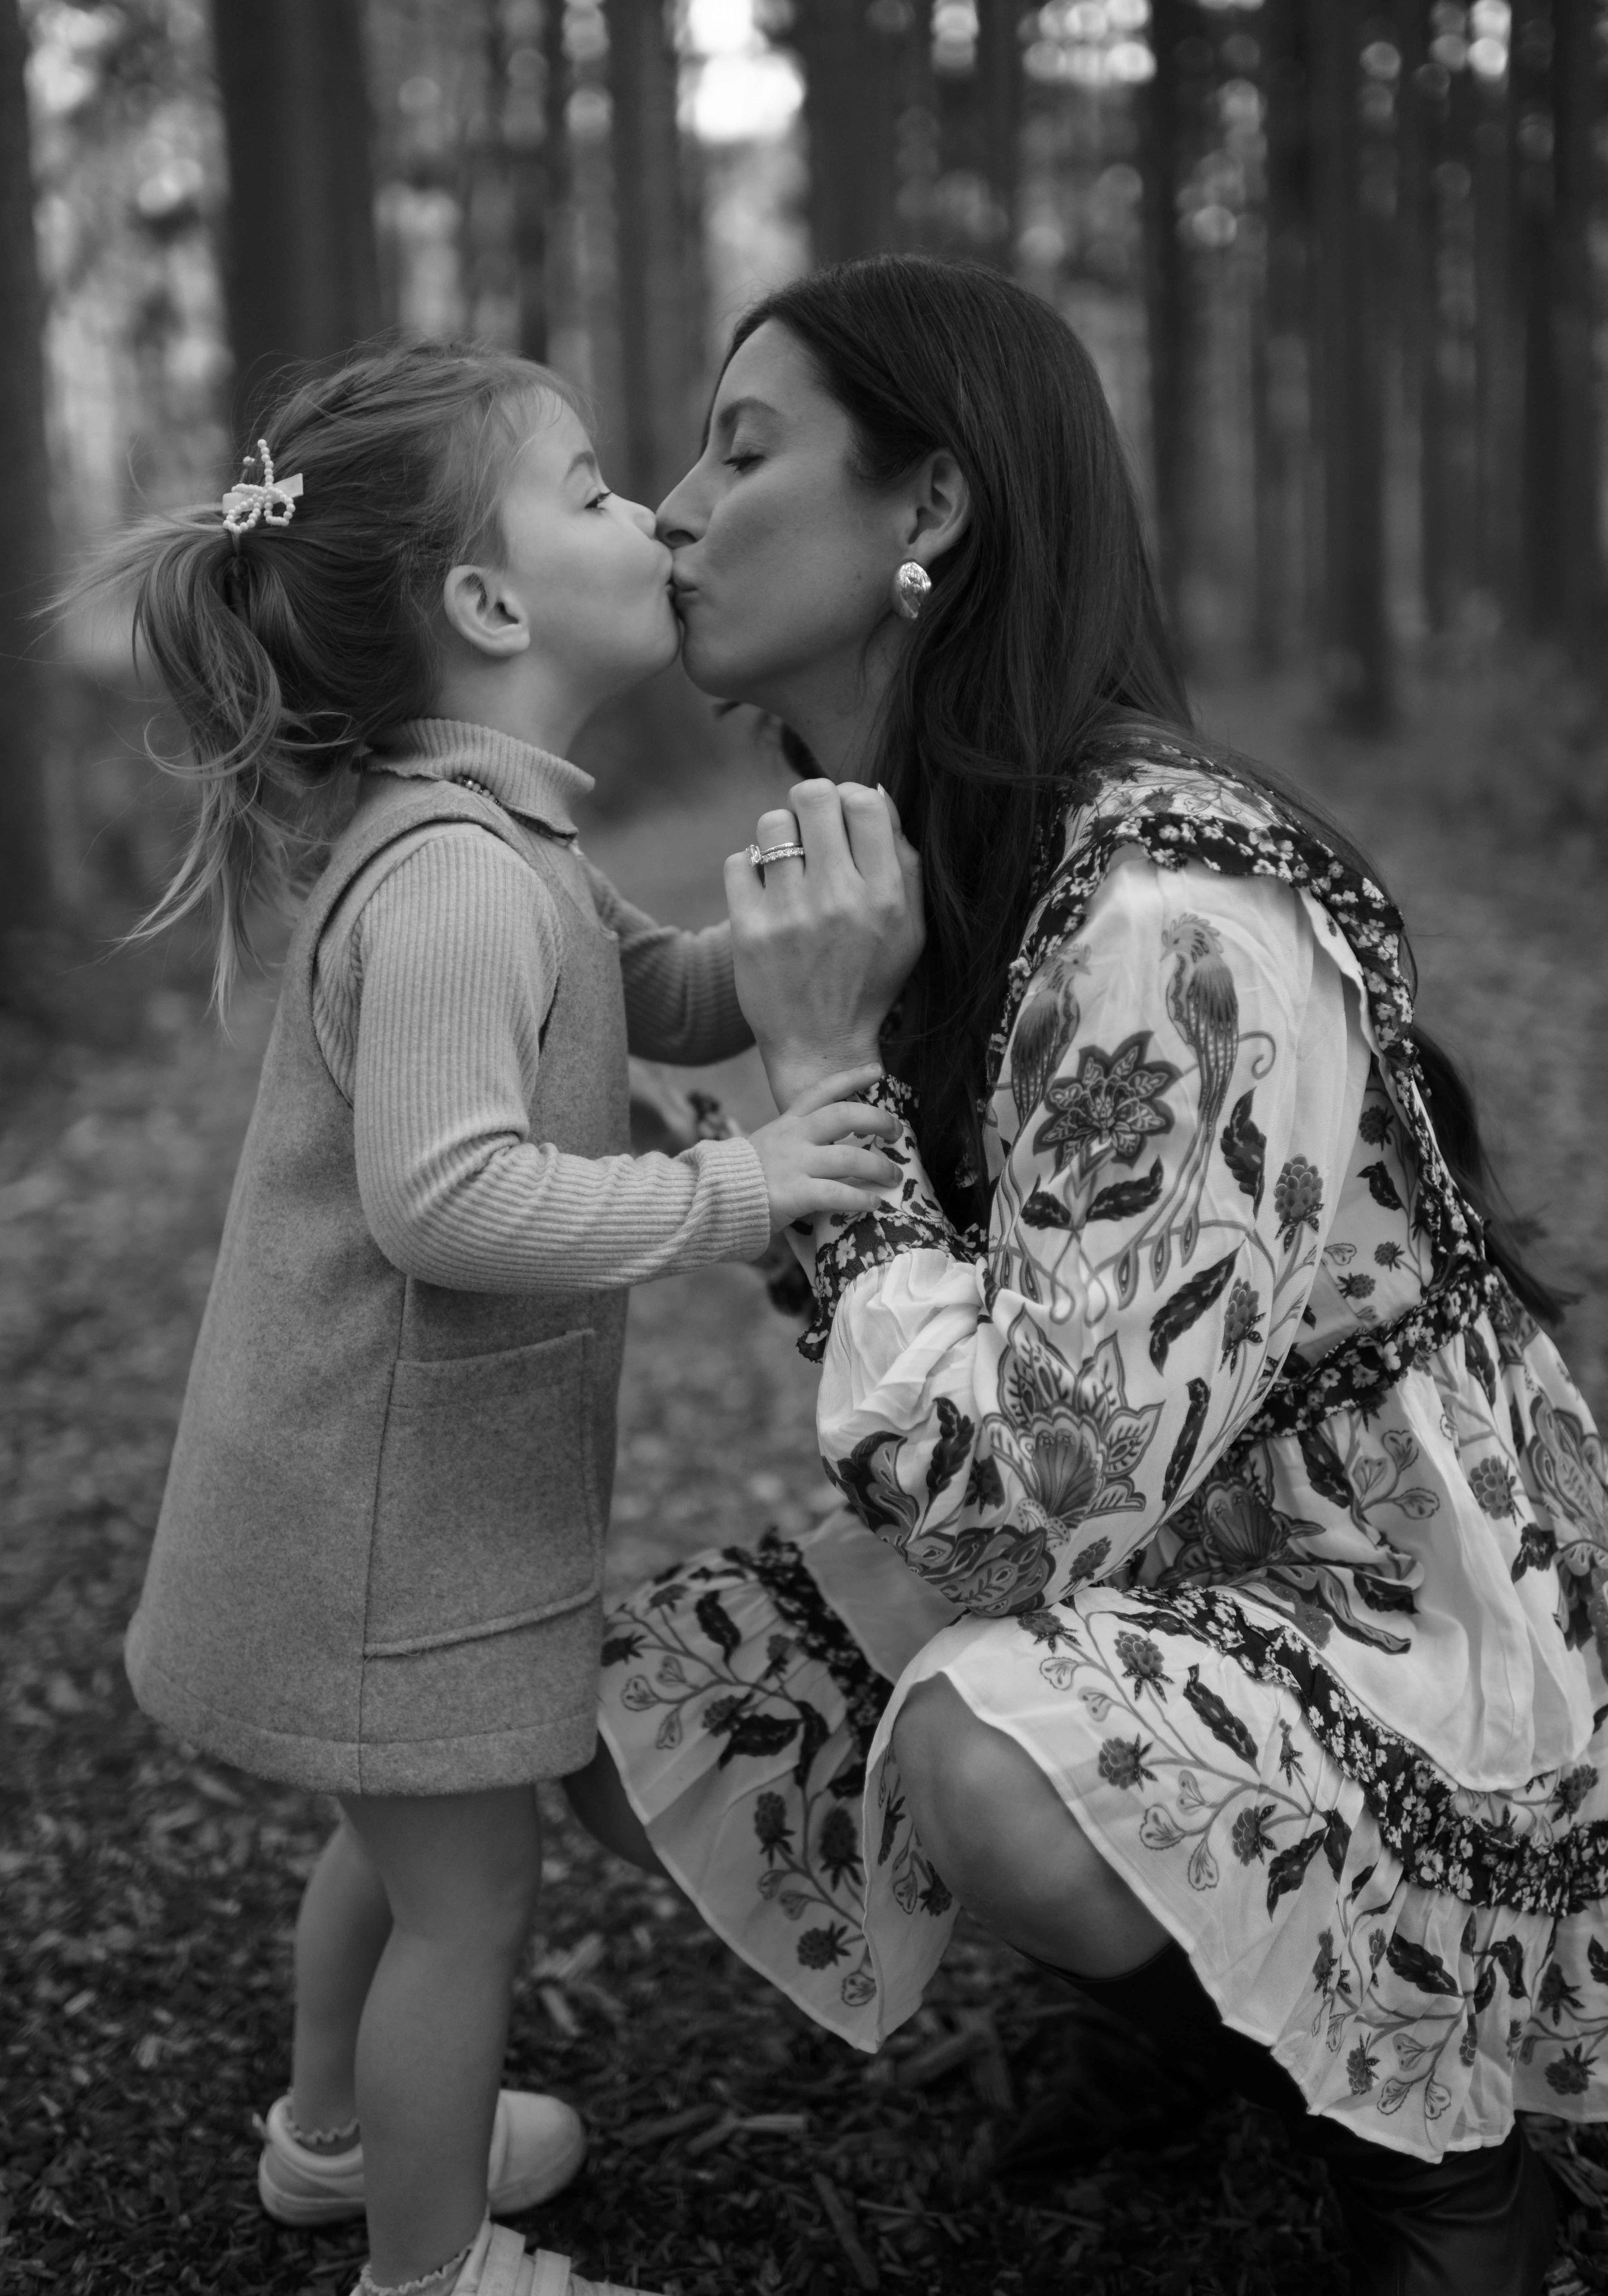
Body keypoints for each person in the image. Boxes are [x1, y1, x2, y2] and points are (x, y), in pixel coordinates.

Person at [570, 255, 1605, 2294]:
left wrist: (823, 1084)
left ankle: (1436, 2152)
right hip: (1183, 1564)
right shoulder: (954, 855)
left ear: (927, 515)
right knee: (609, 1720)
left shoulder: (1164, 909)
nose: (676, 504)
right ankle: (1224, 2020)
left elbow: (1017, 1512)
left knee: (983, 1759)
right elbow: (979, 1349)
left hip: (1398, 1622)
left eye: (744, 448)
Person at [101, 340, 910, 2296]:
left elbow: (683, 1000)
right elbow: (445, 1198)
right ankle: (432, 2259)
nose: (649, 513)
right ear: (486, 603)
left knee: (397, 1849)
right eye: (588, 490)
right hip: (385, 1518)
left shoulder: (504, 840)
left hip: (383, 1497)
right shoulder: (459, 883)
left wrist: (850, 912)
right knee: (466, 1898)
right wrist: (742, 1188)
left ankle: (338, 2142)